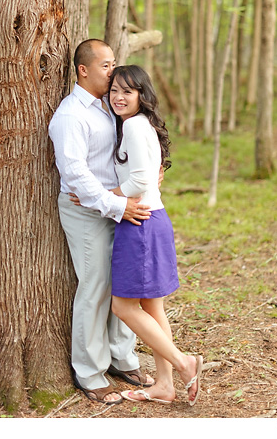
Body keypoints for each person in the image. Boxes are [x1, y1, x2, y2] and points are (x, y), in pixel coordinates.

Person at [49, 39, 154, 405]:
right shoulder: (70, 115)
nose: (113, 70)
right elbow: (76, 175)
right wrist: (116, 204)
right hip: (87, 210)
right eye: (106, 65)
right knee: (95, 286)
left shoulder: (112, 106)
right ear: (83, 69)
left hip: (119, 204)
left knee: (124, 284)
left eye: (113, 64)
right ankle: (90, 372)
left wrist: (150, 177)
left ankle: (122, 358)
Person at [103, 65, 203, 405]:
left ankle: (183, 363)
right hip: (154, 218)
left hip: (140, 223)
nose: (118, 97)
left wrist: (103, 193)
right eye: (114, 90)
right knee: (152, 306)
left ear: (141, 96)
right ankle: (164, 385)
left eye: (127, 91)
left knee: (123, 306)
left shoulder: (132, 125)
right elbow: (149, 176)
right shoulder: (140, 125)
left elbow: (139, 183)